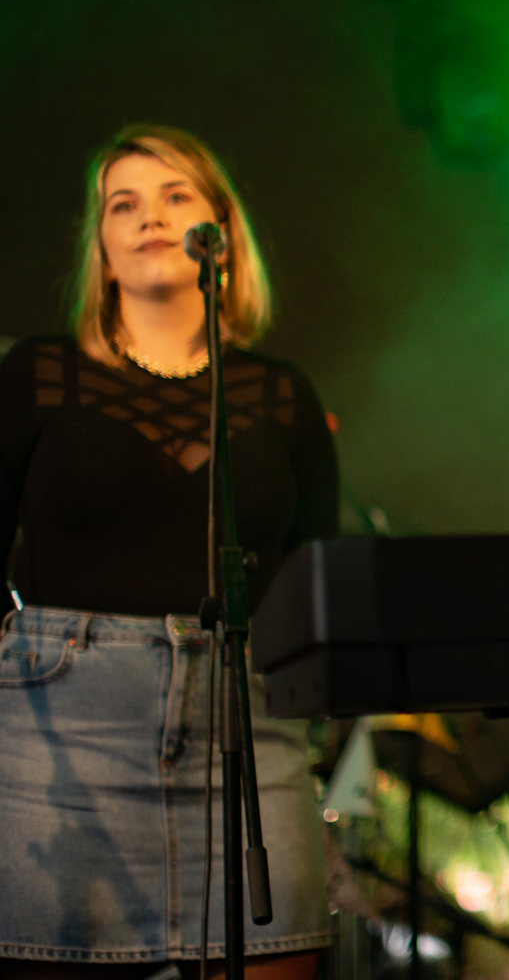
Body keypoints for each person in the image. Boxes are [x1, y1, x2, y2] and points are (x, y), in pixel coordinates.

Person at [0, 126, 338, 979]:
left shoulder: (281, 394)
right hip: (62, 737)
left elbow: (318, 580)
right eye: (124, 204)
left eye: (176, 195)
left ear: (220, 230)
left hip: (248, 731)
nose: (150, 217)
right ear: (103, 249)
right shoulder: (38, 376)